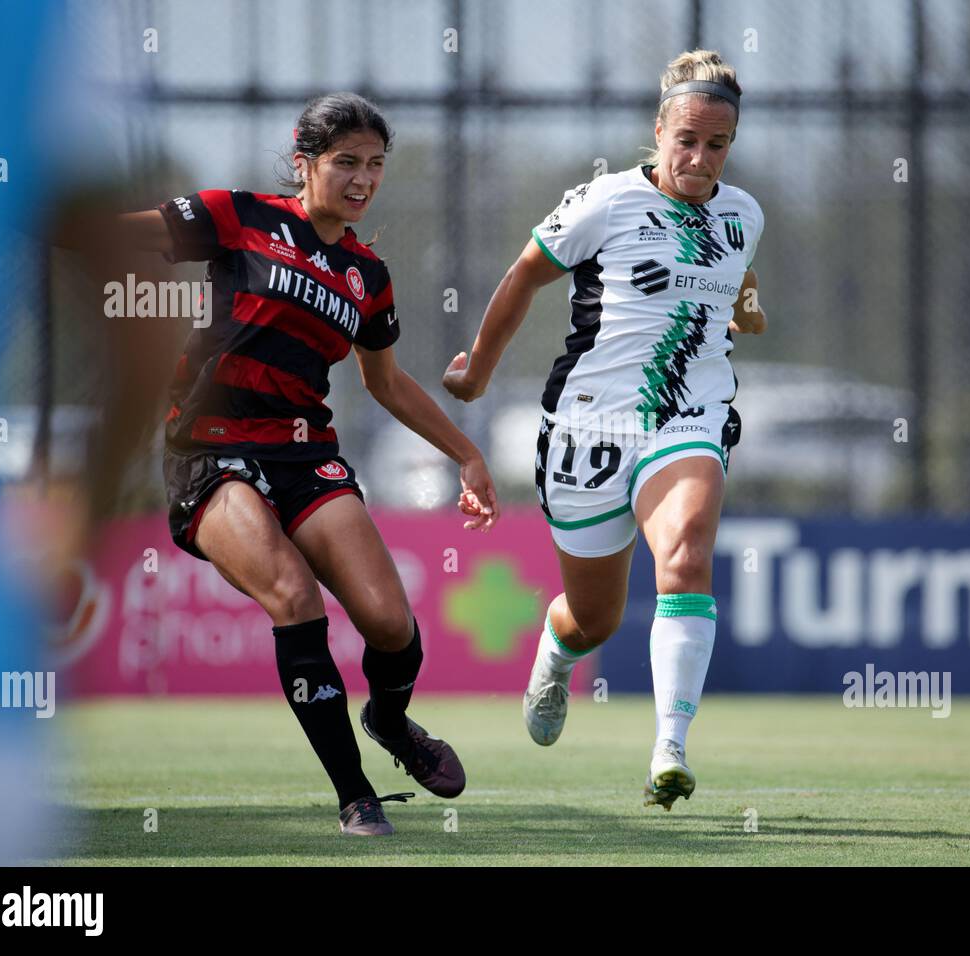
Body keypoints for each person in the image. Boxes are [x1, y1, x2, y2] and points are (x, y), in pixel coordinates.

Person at [118, 92, 499, 835]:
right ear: (305, 164)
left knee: (390, 624)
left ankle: (390, 722)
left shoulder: (367, 274)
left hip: (303, 454)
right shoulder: (239, 215)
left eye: (376, 165)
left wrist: (468, 454)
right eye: (346, 162)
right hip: (212, 451)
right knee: (294, 599)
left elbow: (384, 383)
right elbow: (129, 235)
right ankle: (354, 795)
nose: (363, 179)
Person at [443, 51, 766, 809]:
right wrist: (478, 372)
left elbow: (740, 283)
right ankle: (555, 657)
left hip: (691, 415)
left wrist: (743, 311)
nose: (699, 157)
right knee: (594, 617)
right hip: (591, 426)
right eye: (686, 139)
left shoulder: (744, 213)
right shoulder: (605, 202)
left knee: (685, 558)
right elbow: (525, 272)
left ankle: (669, 750)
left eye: (717, 145)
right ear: (659, 131)